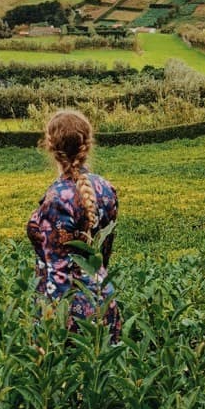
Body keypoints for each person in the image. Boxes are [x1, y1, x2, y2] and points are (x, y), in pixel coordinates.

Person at [27, 109, 121, 342]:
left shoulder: (56, 199)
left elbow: (58, 274)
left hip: (68, 312)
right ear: (87, 145)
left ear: (49, 146)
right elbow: (103, 255)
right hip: (104, 303)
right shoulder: (106, 188)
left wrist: (50, 330)